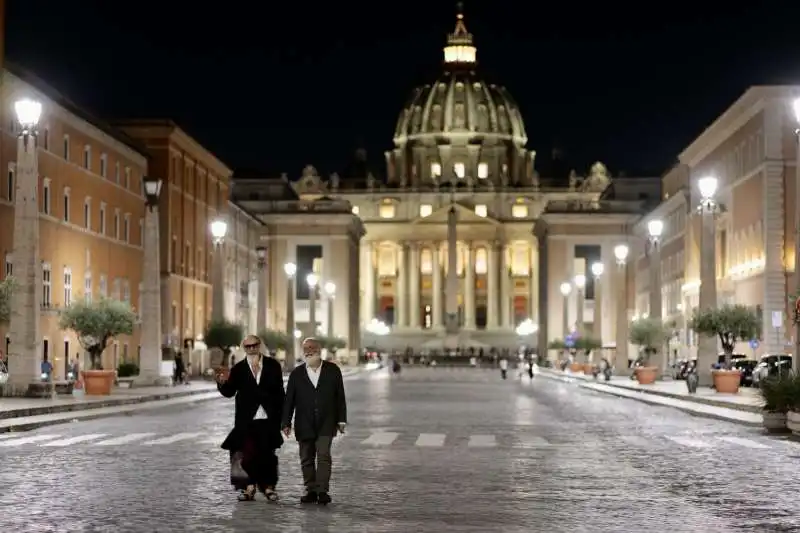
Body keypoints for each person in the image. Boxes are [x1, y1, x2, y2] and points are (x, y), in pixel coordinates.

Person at [216, 335, 285, 502]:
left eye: (254, 345)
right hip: (246, 420)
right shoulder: (238, 369)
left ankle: (268, 488)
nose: (252, 349)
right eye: (248, 347)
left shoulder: (273, 365)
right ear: (244, 348)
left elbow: (280, 393)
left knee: (267, 455)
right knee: (246, 455)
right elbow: (229, 392)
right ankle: (249, 487)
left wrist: (284, 419)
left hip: (268, 419)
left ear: (259, 345)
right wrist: (221, 383)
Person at [282, 337, 347, 505]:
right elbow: (289, 400)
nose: (309, 350)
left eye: (312, 347)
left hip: (327, 421)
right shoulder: (296, 374)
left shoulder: (333, 370)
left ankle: (322, 491)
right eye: (306, 348)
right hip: (304, 423)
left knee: (324, 456)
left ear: (319, 349)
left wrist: (341, 420)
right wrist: (286, 422)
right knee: (306, 458)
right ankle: (311, 490)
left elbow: (340, 397)